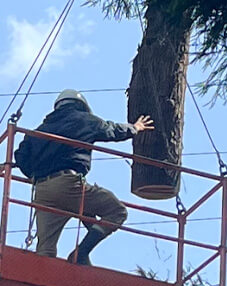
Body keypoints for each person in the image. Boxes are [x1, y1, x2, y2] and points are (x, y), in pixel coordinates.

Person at [12, 89, 155, 266]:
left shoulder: (39, 131)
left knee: (45, 250)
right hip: (68, 184)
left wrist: (35, 175)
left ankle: (40, 284)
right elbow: (111, 130)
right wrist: (135, 128)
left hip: (42, 190)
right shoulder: (84, 120)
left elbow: (20, 157)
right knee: (116, 211)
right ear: (81, 106)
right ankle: (81, 253)